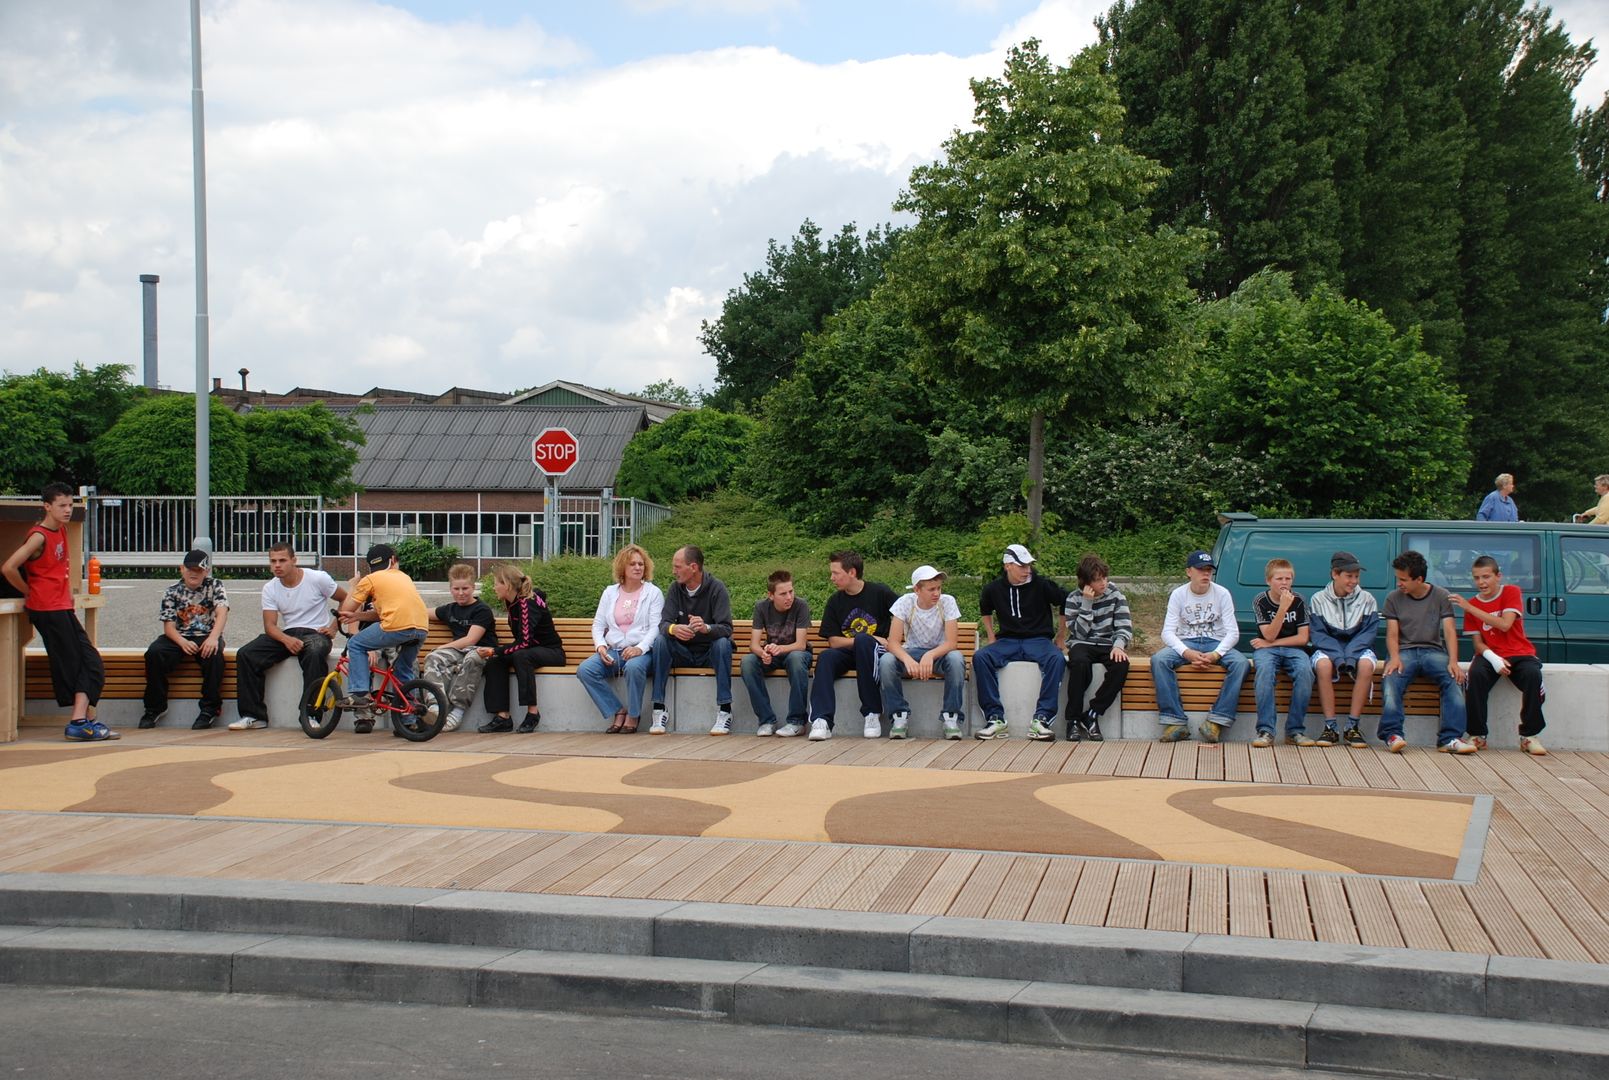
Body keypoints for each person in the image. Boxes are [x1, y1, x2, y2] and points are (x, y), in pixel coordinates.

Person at [2, 482, 111, 741]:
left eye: (70, 505)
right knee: (75, 664)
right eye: (61, 505)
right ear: (47, 507)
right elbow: (8, 567)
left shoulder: (61, 530)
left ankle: (80, 720)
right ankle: (78, 722)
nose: (67, 510)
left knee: (90, 661)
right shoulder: (38, 535)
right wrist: (27, 590)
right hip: (47, 608)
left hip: (62, 606)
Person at [231, 542, 345, 731]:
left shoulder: (317, 578)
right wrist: (286, 640)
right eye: (273, 561)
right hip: (288, 633)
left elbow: (345, 599)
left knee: (315, 653)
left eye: (282, 560)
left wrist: (333, 628)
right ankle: (253, 715)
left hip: (316, 633)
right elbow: (270, 626)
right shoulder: (270, 588)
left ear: (294, 560)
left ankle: (310, 716)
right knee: (246, 654)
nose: (277, 565)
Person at [1451, 556, 1547, 755]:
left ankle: (1529, 736)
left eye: (1486, 577)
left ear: (1498, 576)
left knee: (1532, 675)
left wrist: (1470, 608)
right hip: (1489, 654)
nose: (1481, 582)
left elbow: (1505, 624)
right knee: (1474, 676)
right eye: (1476, 578)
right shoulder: (1473, 605)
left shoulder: (1511, 592)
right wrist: (1494, 659)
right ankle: (1477, 735)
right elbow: (1477, 643)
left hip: (1520, 652)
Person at [1380, 550, 1475, 754]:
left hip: (1433, 651)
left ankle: (1450, 739)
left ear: (1419, 579)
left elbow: (1449, 630)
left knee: (1454, 678)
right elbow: (1392, 634)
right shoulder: (1393, 598)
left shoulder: (1441, 595)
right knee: (1391, 679)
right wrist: (1394, 657)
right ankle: (1392, 734)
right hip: (1404, 651)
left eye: (1403, 579)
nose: (1399, 583)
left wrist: (1453, 661)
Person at [1149, 550, 1249, 744]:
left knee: (1242, 663)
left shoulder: (1222, 593)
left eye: (1209, 570)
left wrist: (1215, 655)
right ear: (1189, 572)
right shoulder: (1178, 594)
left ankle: (1216, 721)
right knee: (1159, 660)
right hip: (1187, 641)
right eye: (1201, 569)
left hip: (1216, 642)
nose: (1206, 574)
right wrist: (1186, 652)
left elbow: (1233, 633)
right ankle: (1175, 722)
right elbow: (1167, 632)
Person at [975, 544, 1068, 741]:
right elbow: (985, 609)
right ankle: (995, 719)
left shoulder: (1042, 585)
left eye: (1029, 566)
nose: (1027, 570)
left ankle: (1042, 719)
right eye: (1022, 566)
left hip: (1039, 640)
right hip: (1007, 641)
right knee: (981, 657)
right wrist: (991, 636)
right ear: (1008, 566)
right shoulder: (993, 588)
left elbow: (1065, 600)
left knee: (1057, 659)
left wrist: (1060, 635)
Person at [336, 543, 429, 734]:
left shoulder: (370, 579)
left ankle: (360, 693)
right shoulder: (404, 577)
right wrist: (359, 617)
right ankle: (408, 719)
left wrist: (353, 586)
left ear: (370, 566)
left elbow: (347, 608)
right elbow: (384, 613)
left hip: (396, 626)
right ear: (393, 560)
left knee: (356, 643)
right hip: (420, 628)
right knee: (402, 671)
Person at [808, 550, 897, 741]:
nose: (831, 578)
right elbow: (833, 641)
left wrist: (891, 640)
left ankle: (872, 712)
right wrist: (869, 639)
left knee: (865, 641)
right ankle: (822, 720)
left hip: (877, 653)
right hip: (850, 653)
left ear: (852, 572)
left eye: (836, 573)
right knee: (826, 657)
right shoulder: (835, 601)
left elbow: (905, 613)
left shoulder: (880, 592)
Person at [649, 545, 735, 735]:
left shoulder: (716, 588)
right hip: (683, 652)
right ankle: (659, 707)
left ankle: (725, 710)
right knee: (661, 641)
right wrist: (674, 629)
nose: (674, 571)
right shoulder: (675, 589)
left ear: (693, 567)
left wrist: (706, 628)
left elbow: (727, 628)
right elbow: (663, 624)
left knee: (723, 643)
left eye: (678, 567)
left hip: (708, 653)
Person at [577, 544, 662, 734]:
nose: (638, 567)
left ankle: (633, 715)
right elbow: (598, 624)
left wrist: (640, 648)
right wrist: (600, 647)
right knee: (586, 670)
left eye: (641, 564)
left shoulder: (653, 593)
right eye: (633, 564)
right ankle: (617, 710)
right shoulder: (610, 592)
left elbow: (657, 627)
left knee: (633, 667)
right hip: (614, 651)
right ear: (622, 567)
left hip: (643, 653)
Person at [140, 549, 230, 729]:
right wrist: (181, 642)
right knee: (154, 653)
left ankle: (209, 709)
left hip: (206, 635)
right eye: (190, 569)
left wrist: (213, 637)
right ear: (182, 569)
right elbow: (168, 627)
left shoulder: (215, 585)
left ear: (206, 571)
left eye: (198, 570)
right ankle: (155, 707)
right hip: (178, 636)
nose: (194, 573)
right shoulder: (172, 591)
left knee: (214, 657)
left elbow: (222, 612)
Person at [878, 565, 965, 741]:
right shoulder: (904, 602)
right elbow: (893, 643)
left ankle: (951, 718)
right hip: (912, 653)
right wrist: (907, 659)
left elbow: (951, 643)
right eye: (931, 589)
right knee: (887, 661)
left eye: (939, 588)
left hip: (940, 655)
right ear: (917, 589)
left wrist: (930, 655)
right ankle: (899, 717)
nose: (937, 593)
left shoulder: (947, 601)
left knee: (956, 659)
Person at [476, 562, 564, 733]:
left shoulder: (526, 603)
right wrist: (496, 654)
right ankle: (503, 717)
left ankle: (533, 713)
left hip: (552, 652)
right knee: (495, 661)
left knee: (520, 656)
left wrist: (495, 649)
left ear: (507, 585)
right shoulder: (513, 603)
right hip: (531, 650)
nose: (494, 588)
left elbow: (524, 642)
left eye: (496, 584)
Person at [1307, 551, 1380, 748]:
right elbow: (1319, 635)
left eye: (1357, 576)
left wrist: (1350, 656)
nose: (1354, 581)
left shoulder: (1368, 599)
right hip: (1330, 649)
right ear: (1335, 574)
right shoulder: (1317, 599)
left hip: (1358, 649)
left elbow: (1369, 634)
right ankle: (1330, 728)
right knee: (1322, 665)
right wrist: (1339, 658)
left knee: (1365, 665)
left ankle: (1352, 727)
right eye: (1349, 576)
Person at [1061, 553, 1130, 743]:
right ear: (1085, 582)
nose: (1103, 583)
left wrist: (1118, 646)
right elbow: (1080, 634)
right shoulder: (1073, 599)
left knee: (1121, 665)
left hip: (1108, 644)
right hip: (1083, 643)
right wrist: (1087, 603)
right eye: (1098, 580)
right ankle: (1072, 719)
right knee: (1079, 663)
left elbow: (1124, 627)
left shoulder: (1116, 595)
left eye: (1104, 578)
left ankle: (1092, 713)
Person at [421, 562, 499, 732]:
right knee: (433, 658)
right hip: (459, 652)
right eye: (456, 589)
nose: (461, 593)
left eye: (465, 588)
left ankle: (457, 711)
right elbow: (421, 612)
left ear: (473, 588)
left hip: (483, 651)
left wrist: (442, 647)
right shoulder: (449, 609)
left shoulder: (482, 610)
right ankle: (436, 709)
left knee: (471, 657)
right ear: (450, 589)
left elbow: (471, 640)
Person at [1249, 558, 1316, 748]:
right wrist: (1283, 608)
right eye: (1279, 579)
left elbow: (1303, 638)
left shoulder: (1300, 600)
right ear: (1269, 581)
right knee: (1264, 673)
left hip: (1293, 648)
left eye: (1288, 578)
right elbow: (1268, 634)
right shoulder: (1260, 600)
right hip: (1266, 651)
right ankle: (1266, 731)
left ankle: (1295, 731)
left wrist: (1271, 643)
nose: (1284, 583)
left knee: (1305, 672)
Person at [740, 569, 812, 738]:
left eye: (791, 591)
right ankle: (766, 721)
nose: (789, 597)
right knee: (748, 662)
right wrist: (762, 653)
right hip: (773, 654)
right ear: (771, 595)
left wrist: (779, 648)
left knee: (795, 658)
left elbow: (801, 645)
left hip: (797, 654)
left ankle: (797, 722)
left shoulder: (801, 606)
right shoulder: (761, 607)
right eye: (783, 594)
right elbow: (754, 645)